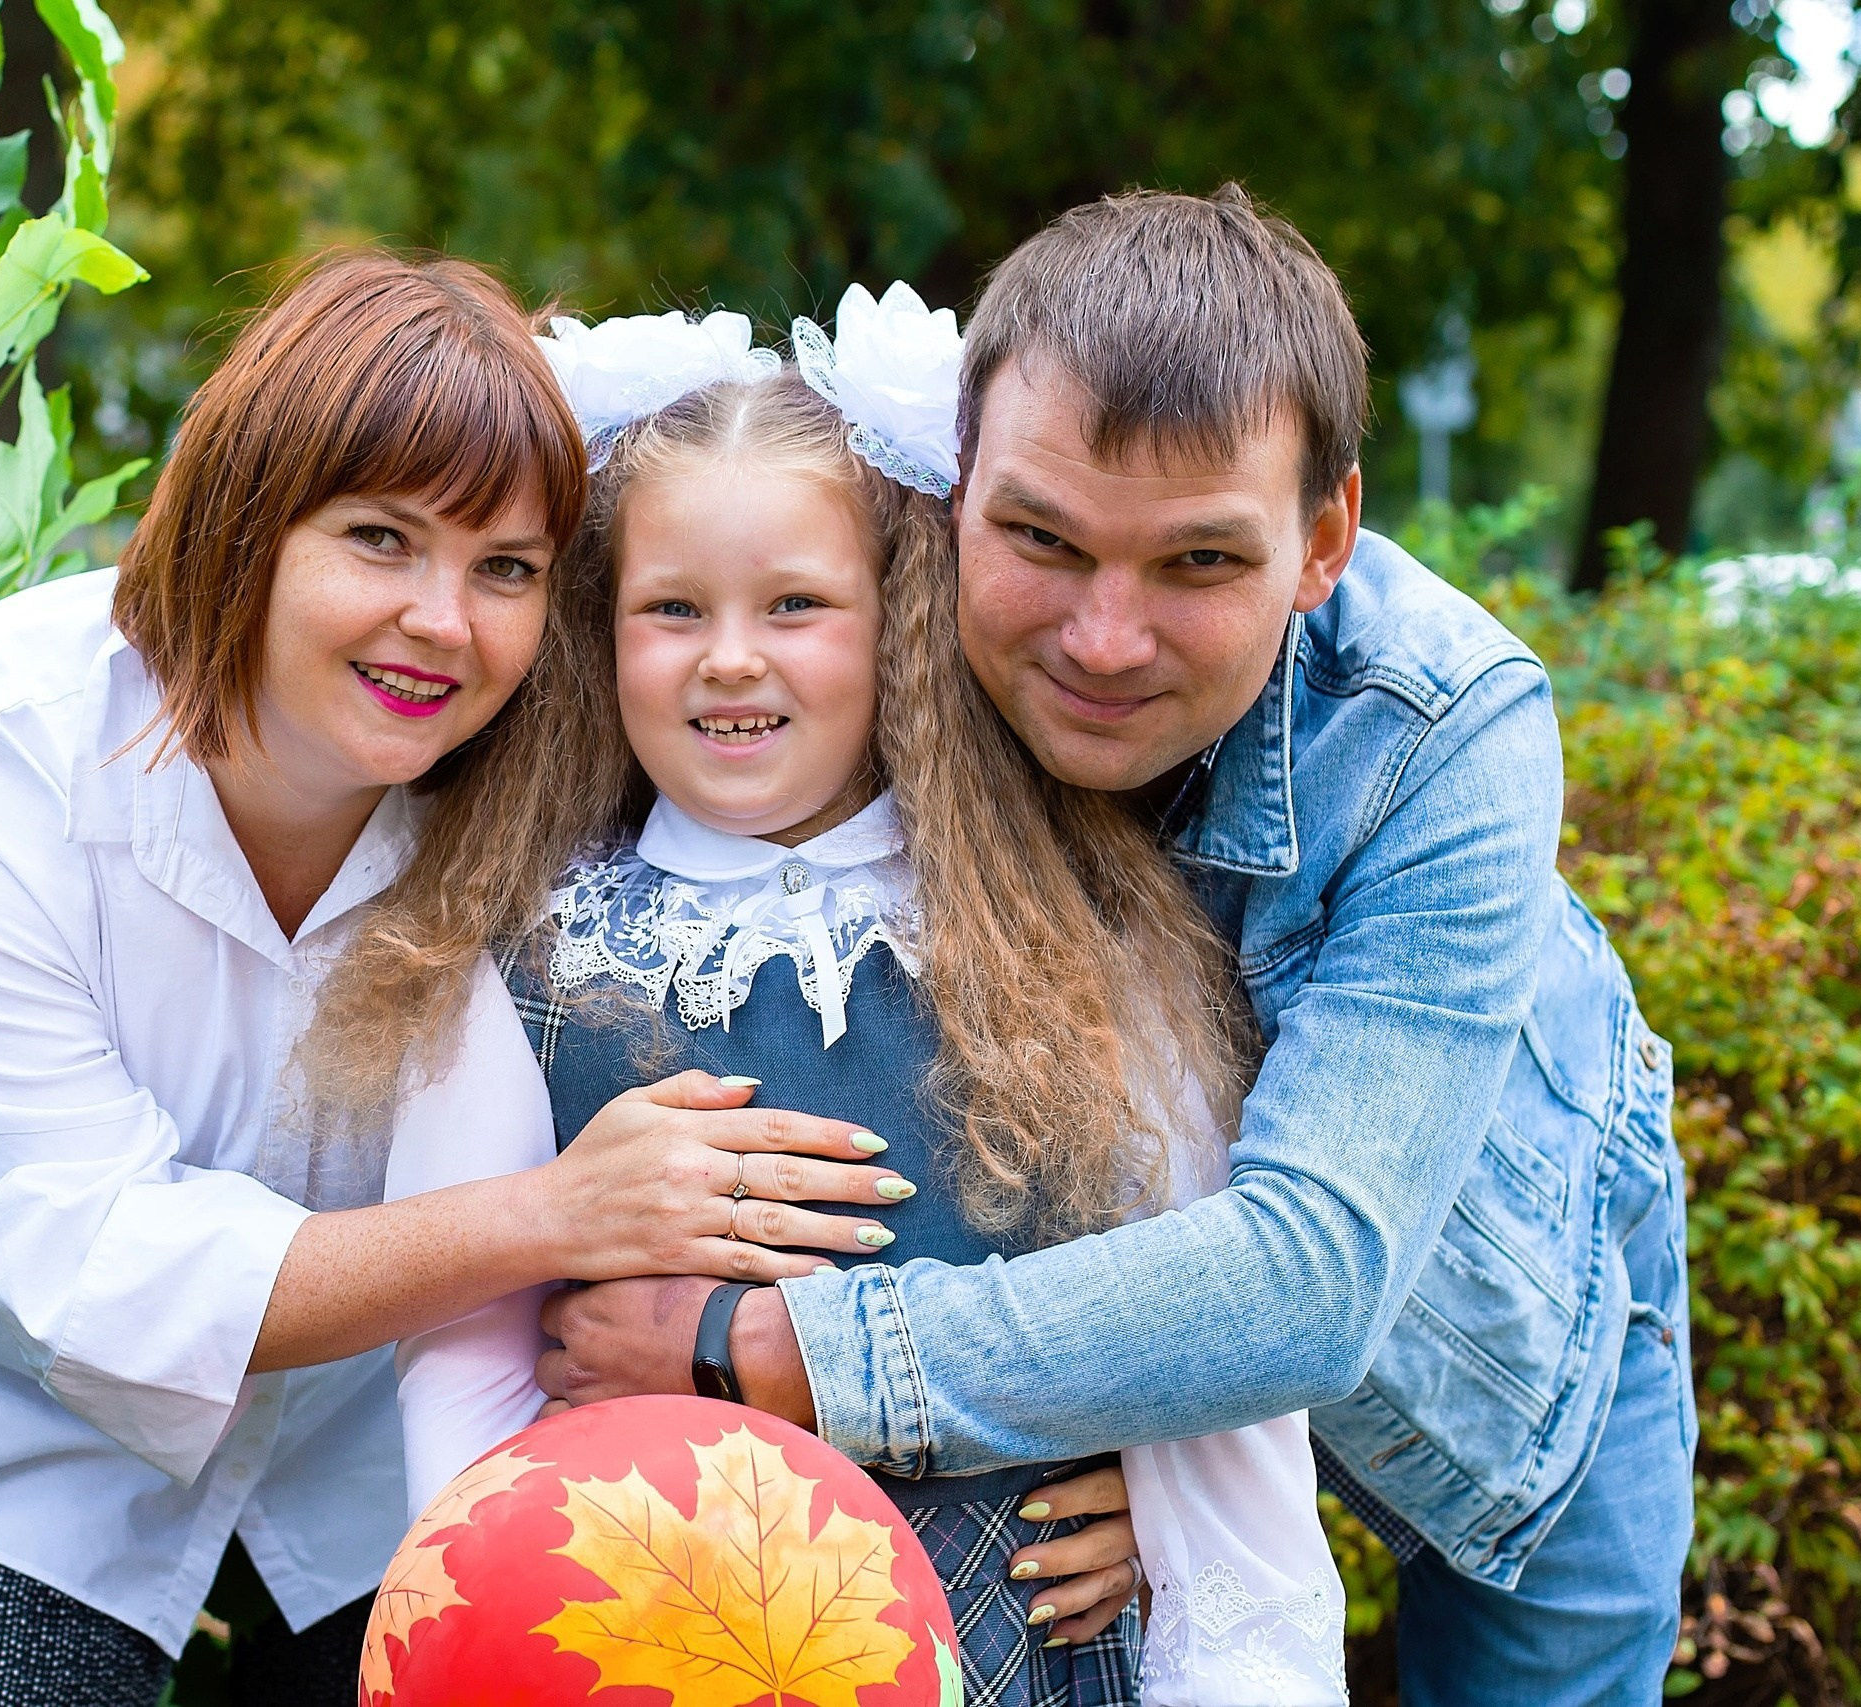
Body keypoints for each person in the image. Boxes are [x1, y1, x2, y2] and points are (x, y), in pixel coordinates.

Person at [534, 189, 1698, 1706]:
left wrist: (763, 1353)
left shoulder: (1442, 729)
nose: (1100, 636)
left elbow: (1311, 1278)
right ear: (954, 482)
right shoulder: (873, 618)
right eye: (1041, 538)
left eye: (1201, 565)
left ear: (1324, 538)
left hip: (1476, 1327)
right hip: (1104, 1363)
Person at [0, 251, 906, 1707]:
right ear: (246, 519)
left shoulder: (547, 773)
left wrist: (1096, 1465)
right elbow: (87, 1266)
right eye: (381, 540)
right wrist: (551, 1211)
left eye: (505, 568)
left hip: (398, 1429)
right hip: (48, 1428)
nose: (444, 623)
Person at [371, 295, 1348, 1706]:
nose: (730, 657)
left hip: (1046, 1661)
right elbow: (463, 1408)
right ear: (602, 632)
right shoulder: (516, 978)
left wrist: (1176, 1522)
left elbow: (1204, 1340)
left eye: (795, 606)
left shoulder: (1073, 941)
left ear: (897, 624)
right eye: (672, 610)